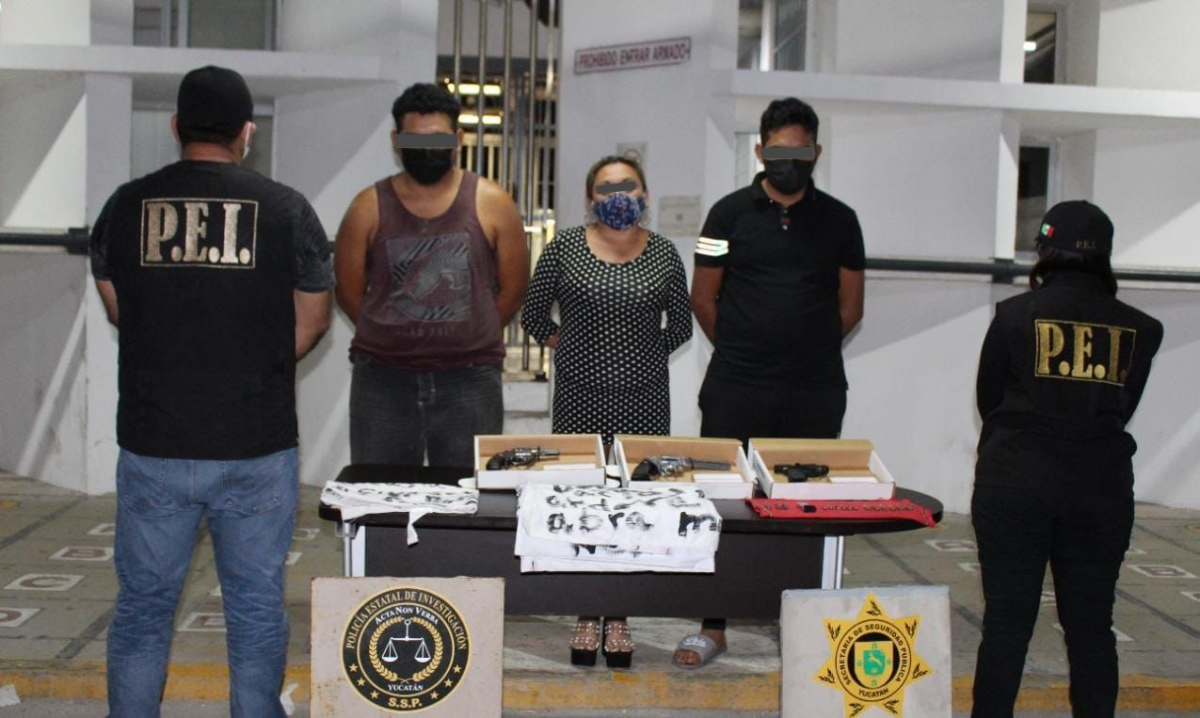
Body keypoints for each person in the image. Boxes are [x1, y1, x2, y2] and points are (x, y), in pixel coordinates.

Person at [90, 66, 334, 717]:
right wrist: (251, 362)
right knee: (254, 608)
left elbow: (118, 306)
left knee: (143, 608)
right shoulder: (286, 210)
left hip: (154, 440)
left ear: (176, 127)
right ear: (246, 133)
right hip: (255, 442)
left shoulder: (125, 205)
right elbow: (312, 320)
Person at [678, 96, 866, 669]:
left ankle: (802, 623)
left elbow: (851, 308)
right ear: (760, 151)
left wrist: (803, 352)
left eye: (800, 153)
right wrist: (745, 349)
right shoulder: (725, 215)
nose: (789, 162)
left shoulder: (842, 220)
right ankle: (713, 624)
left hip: (814, 391)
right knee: (726, 503)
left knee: (806, 506)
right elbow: (703, 297)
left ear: (817, 153)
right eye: (779, 152)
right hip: (736, 386)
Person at [971, 201, 1163, 718]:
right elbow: (1123, 407)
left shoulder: (1014, 316)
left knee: (1006, 625)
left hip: (1014, 481)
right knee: (1091, 627)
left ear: (1044, 250)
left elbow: (990, 400)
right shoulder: (1142, 329)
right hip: (1098, 488)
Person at [521, 155, 693, 668]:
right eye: (605, 187)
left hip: (644, 403)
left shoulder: (664, 252)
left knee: (632, 508)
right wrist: (575, 349)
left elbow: (681, 326)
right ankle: (585, 611)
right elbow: (534, 315)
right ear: (589, 198)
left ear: (645, 193)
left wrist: (641, 357)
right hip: (579, 400)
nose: (617, 195)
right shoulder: (564, 248)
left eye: (627, 185)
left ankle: (618, 615)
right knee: (582, 505)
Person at [334, 83, 529, 468]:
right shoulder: (367, 207)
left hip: (470, 379)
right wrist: (392, 334)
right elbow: (348, 291)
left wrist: (470, 333)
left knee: (468, 496)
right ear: (396, 141)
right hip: (383, 381)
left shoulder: (493, 202)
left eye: (438, 138)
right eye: (414, 139)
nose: (426, 149)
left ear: (458, 138)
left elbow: (514, 289)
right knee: (377, 495)